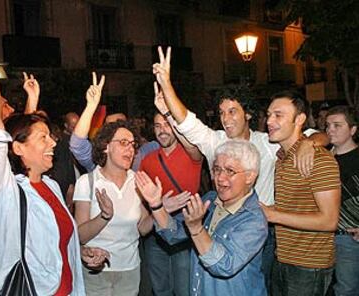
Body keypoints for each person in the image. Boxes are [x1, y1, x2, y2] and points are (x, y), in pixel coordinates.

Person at [152, 46, 329, 293]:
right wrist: (167, 93)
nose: (226, 119)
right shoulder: (216, 141)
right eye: (222, 113)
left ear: (247, 114)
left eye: (232, 111)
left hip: (263, 231)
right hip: (220, 224)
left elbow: (318, 134)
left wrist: (309, 143)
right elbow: (188, 123)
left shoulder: (268, 142)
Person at [0, 5, 107, 295]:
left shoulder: (50, 185)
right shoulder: (2, 192)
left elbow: (54, 241)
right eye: (43, 138)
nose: (53, 143)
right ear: (18, 149)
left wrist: (77, 252)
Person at [136, 140, 268, 296]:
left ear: (249, 176)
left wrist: (197, 229)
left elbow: (223, 265)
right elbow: (173, 233)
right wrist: (156, 205)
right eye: (217, 169)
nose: (220, 178)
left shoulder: (254, 220)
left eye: (230, 171)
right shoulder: (210, 201)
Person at [73, 73, 153, 296]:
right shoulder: (87, 182)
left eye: (133, 144)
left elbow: (142, 227)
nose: (130, 149)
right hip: (95, 270)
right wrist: (104, 216)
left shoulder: (137, 182)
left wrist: (158, 208)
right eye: (124, 143)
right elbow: (80, 236)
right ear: (106, 147)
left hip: (130, 270)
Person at [261, 90, 341, 296]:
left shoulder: (319, 159)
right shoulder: (282, 158)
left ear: (300, 119)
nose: (269, 120)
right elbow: (293, 206)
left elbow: (329, 221)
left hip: (309, 265)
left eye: (278, 115)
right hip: (283, 258)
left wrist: (272, 214)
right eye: (269, 114)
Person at [139, 84, 203, 296]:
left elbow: (194, 148)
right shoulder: (147, 161)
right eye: (158, 126)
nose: (162, 130)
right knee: (160, 289)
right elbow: (142, 201)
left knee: (184, 289)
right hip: (156, 233)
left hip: (185, 230)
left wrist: (168, 111)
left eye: (167, 124)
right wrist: (159, 208)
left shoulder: (191, 153)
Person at [325, 105, 359, 296]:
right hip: (324, 236)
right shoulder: (322, 158)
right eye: (328, 125)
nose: (330, 130)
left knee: (346, 289)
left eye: (337, 125)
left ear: (352, 130)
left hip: (349, 237)